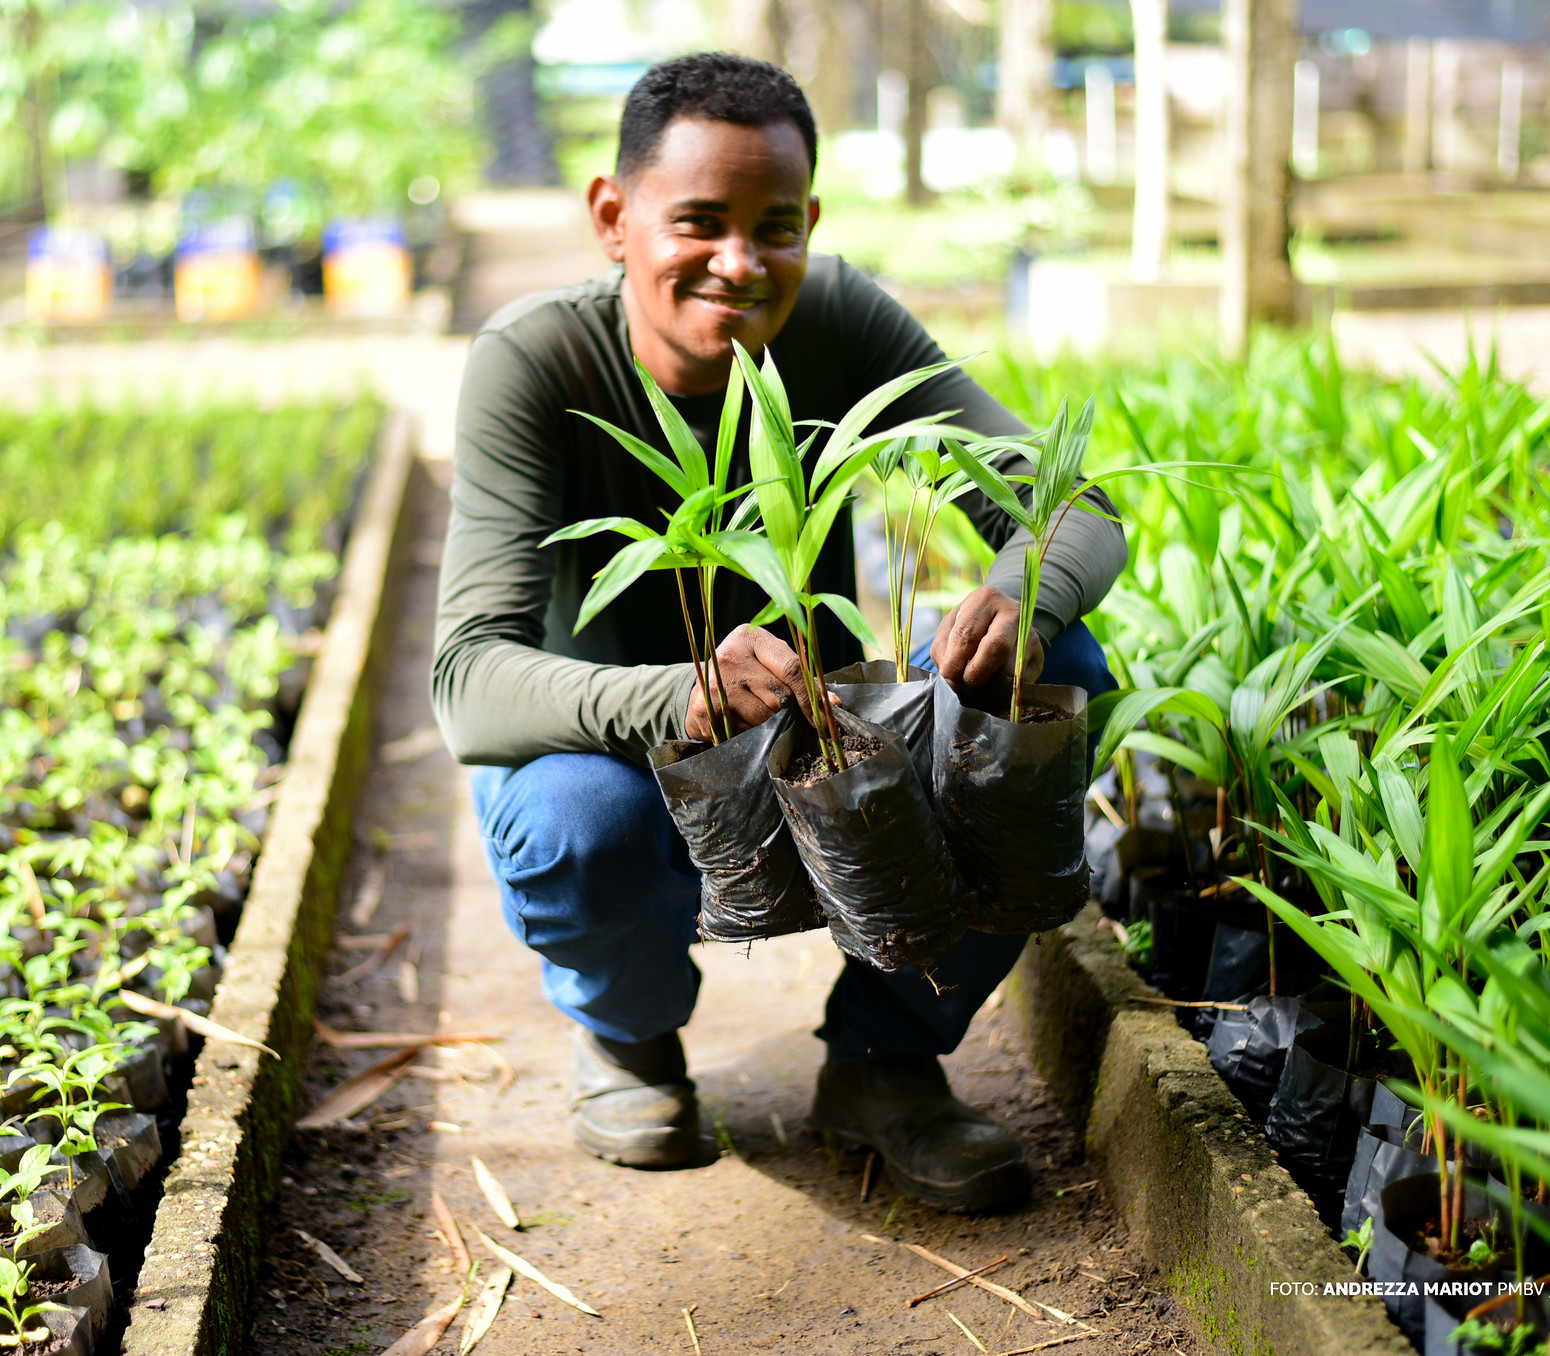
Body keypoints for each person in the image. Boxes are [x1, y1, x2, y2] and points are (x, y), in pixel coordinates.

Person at [431, 53, 1124, 1212]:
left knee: (1050, 676)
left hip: (816, 750)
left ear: (811, 222)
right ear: (612, 216)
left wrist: (1023, 592)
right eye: (696, 222)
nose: (740, 264)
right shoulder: (534, 360)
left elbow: (1072, 509)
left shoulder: (837, 315)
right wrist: (678, 693)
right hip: (623, 764)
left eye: (776, 226)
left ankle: (885, 1059)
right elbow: (468, 680)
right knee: (569, 819)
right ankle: (630, 1038)